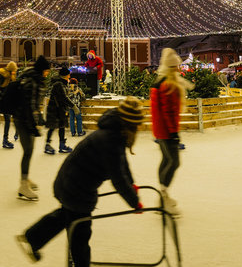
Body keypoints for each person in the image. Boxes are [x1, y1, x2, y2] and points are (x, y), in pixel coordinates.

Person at [16, 97, 145, 266]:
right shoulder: (111, 140)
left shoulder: (113, 133)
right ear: (131, 125)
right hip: (77, 189)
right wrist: (134, 202)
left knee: (67, 217)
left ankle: (32, 238)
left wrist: (132, 184)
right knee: (80, 232)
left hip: (69, 182)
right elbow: (118, 178)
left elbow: (122, 165)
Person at [150, 48, 194, 217]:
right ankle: (163, 197)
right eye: (176, 67)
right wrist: (174, 132)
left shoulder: (160, 82)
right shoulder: (168, 85)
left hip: (160, 130)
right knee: (174, 162)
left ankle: (163, 196)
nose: (178, 69)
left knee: (167, 160)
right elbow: (168, 111)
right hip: (167, 131)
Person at [13, 55, 50, 201]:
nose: (47, 73)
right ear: (42, 70)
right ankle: (23, 184)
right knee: (28, 151)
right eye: (46, 70)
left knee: (29, 150)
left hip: (25, 119)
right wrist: (35, 124)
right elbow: (30, 105)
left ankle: (25, 178)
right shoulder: (33, 82)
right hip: (23, 120)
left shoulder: (33, 79)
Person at [44, 67, 78, 155]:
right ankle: (47, 145)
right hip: (54, 109)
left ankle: (62, 145)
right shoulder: (58, 84)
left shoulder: (62, 83)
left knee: (61, 126)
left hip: (60, 109)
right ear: (65, 75)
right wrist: (73, 106)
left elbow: (64, 96)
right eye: (68, 74)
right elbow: (63, 97)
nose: (69, 76)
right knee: (52, 127)